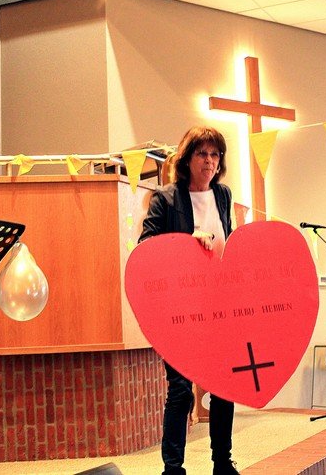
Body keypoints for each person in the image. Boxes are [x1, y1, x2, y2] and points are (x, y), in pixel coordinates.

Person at [139, 125, 238, 475]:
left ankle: (222, 462)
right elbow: (146, 248)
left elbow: (228, 242)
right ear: (187, 159)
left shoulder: (222, 195)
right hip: (178, 308)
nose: (209, 161)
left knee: (224, 386)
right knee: (181, 389)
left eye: (215, 155)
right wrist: (186, 242)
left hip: (218, 306)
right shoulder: (166, 198)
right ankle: (173, 469)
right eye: (202, 154)